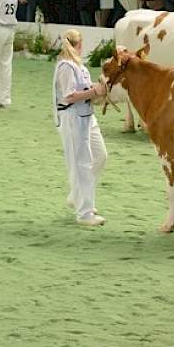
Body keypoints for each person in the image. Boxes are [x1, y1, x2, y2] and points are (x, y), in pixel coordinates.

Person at [53, 30, 108, 226]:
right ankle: (84, 212)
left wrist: (97, 89)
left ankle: (77, 195)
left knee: (100, 156)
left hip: (86, 115)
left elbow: (81, 89)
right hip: (73, 116)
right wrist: (94, 91)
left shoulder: (78, 65)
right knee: (81, 163)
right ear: (79, 44)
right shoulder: (66, 66)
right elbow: (69, 95)